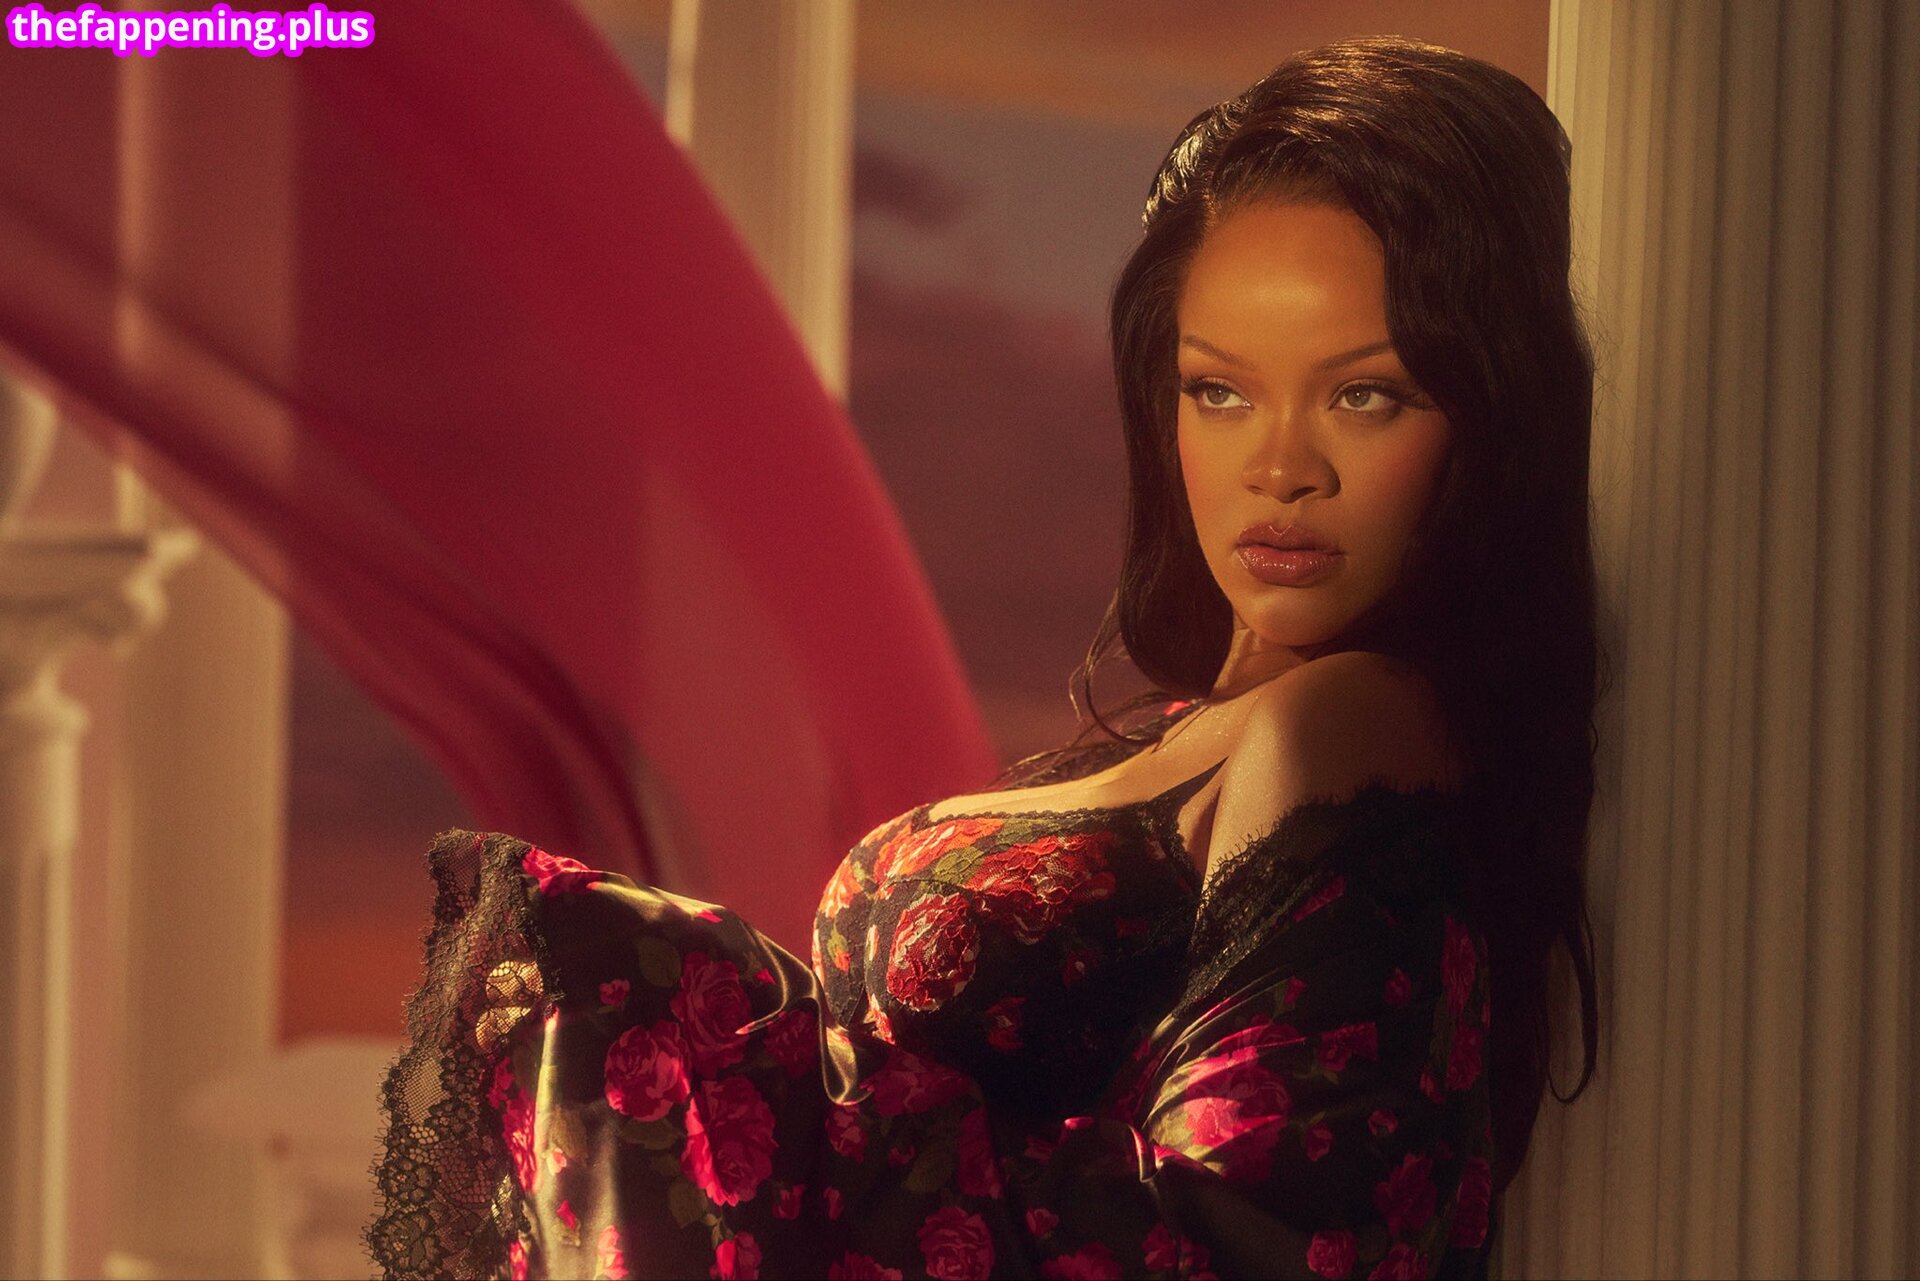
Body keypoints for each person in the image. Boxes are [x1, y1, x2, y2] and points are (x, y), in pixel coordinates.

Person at [365, 33, 1602, 1281]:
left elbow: (1257, 1241)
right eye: (1220, 391)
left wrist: (654, 991)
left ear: (1490, 418)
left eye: (1367, 395)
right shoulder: (1208, 733)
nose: (1282, 468)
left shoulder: (1341, 727)